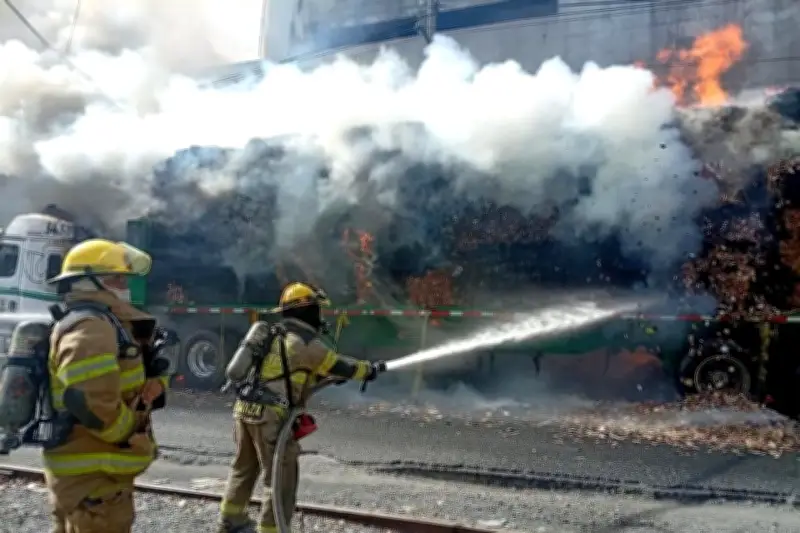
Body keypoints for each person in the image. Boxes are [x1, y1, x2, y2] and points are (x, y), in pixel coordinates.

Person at [217, 282, 385, 533]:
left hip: (245, 410)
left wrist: (323, 377)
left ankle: (230, 521)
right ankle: (272, 529)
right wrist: (369, 370)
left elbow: (287, 372)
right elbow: (342, 366)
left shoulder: (274, 334)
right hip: (271, 417)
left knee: (244, 468)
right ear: (306, 311)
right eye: (316, 309)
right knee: (280, 479)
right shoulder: (305, 343)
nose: (320, 314)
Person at [45, 239, 171, 533]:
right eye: (118, 277)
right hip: (93, 486)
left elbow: (114, 382)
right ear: (94, 280)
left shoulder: (102, 323)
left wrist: (152, 381)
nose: (124, 285)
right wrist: (133, 438)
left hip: (93, 485)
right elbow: (93, 405)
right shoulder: (91, 328)